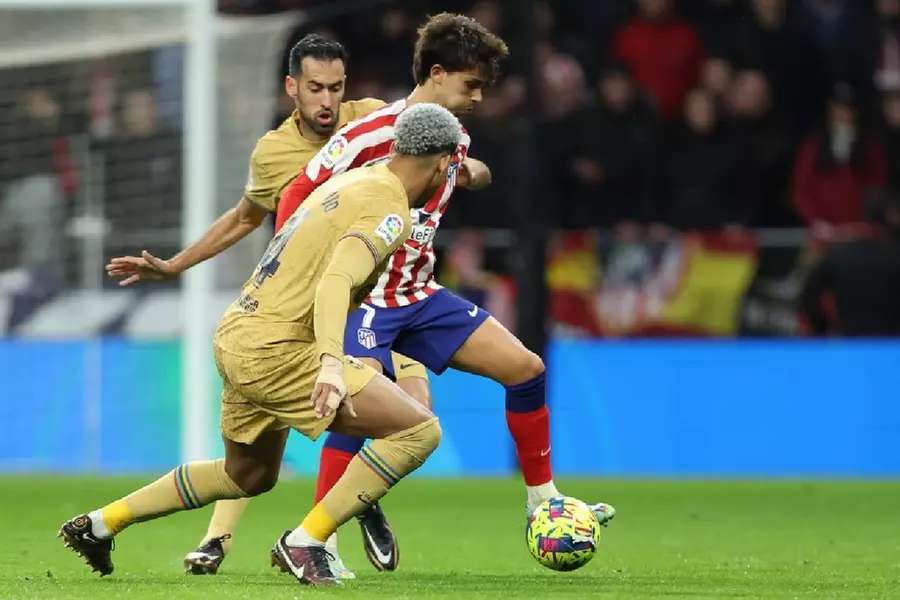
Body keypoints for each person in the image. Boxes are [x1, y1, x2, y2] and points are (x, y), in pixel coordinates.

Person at [59, 103, 461, 587]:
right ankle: (306, 542)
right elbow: (337, 280)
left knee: (247, 475)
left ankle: (100, 525)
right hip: (279, 348)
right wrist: (333, 363)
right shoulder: (388, 206)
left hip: (240, 332)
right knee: (419, 431)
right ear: (442, 164)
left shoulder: (354, 180)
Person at [276, 11, 616, 571]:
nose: (480, 97)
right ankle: (319, 539)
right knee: (356, 412)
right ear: (435, 74)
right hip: (367, 303)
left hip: (420, 295)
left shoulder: (452, 135)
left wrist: (473, 171)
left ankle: (543, 503)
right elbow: (297, 195)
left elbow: (461, 169)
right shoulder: (369, 135)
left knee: (525, 368)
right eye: (471, 84)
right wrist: (295, 274)